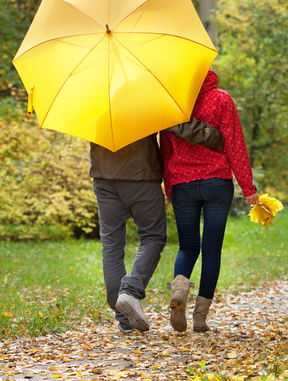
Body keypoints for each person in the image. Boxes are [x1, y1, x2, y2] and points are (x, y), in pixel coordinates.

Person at [90, 117, 224, 334]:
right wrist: (214, 136)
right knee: (153, 237)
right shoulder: (143, 95)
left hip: (102, 177)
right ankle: (130, 291)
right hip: (139, 174)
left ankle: (124, 321)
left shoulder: (95, 99)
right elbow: (176, 124)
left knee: (112, 247)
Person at [160, 70, 259, 333]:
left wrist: (170, 188)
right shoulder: (221, 99)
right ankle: (200, 318)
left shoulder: (172, 106)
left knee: (187, 247)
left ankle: (179, 292)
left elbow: (165, 150)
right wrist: (248, 187)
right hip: (217, 184)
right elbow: (235, 146)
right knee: (211, 251)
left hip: (182, 183)